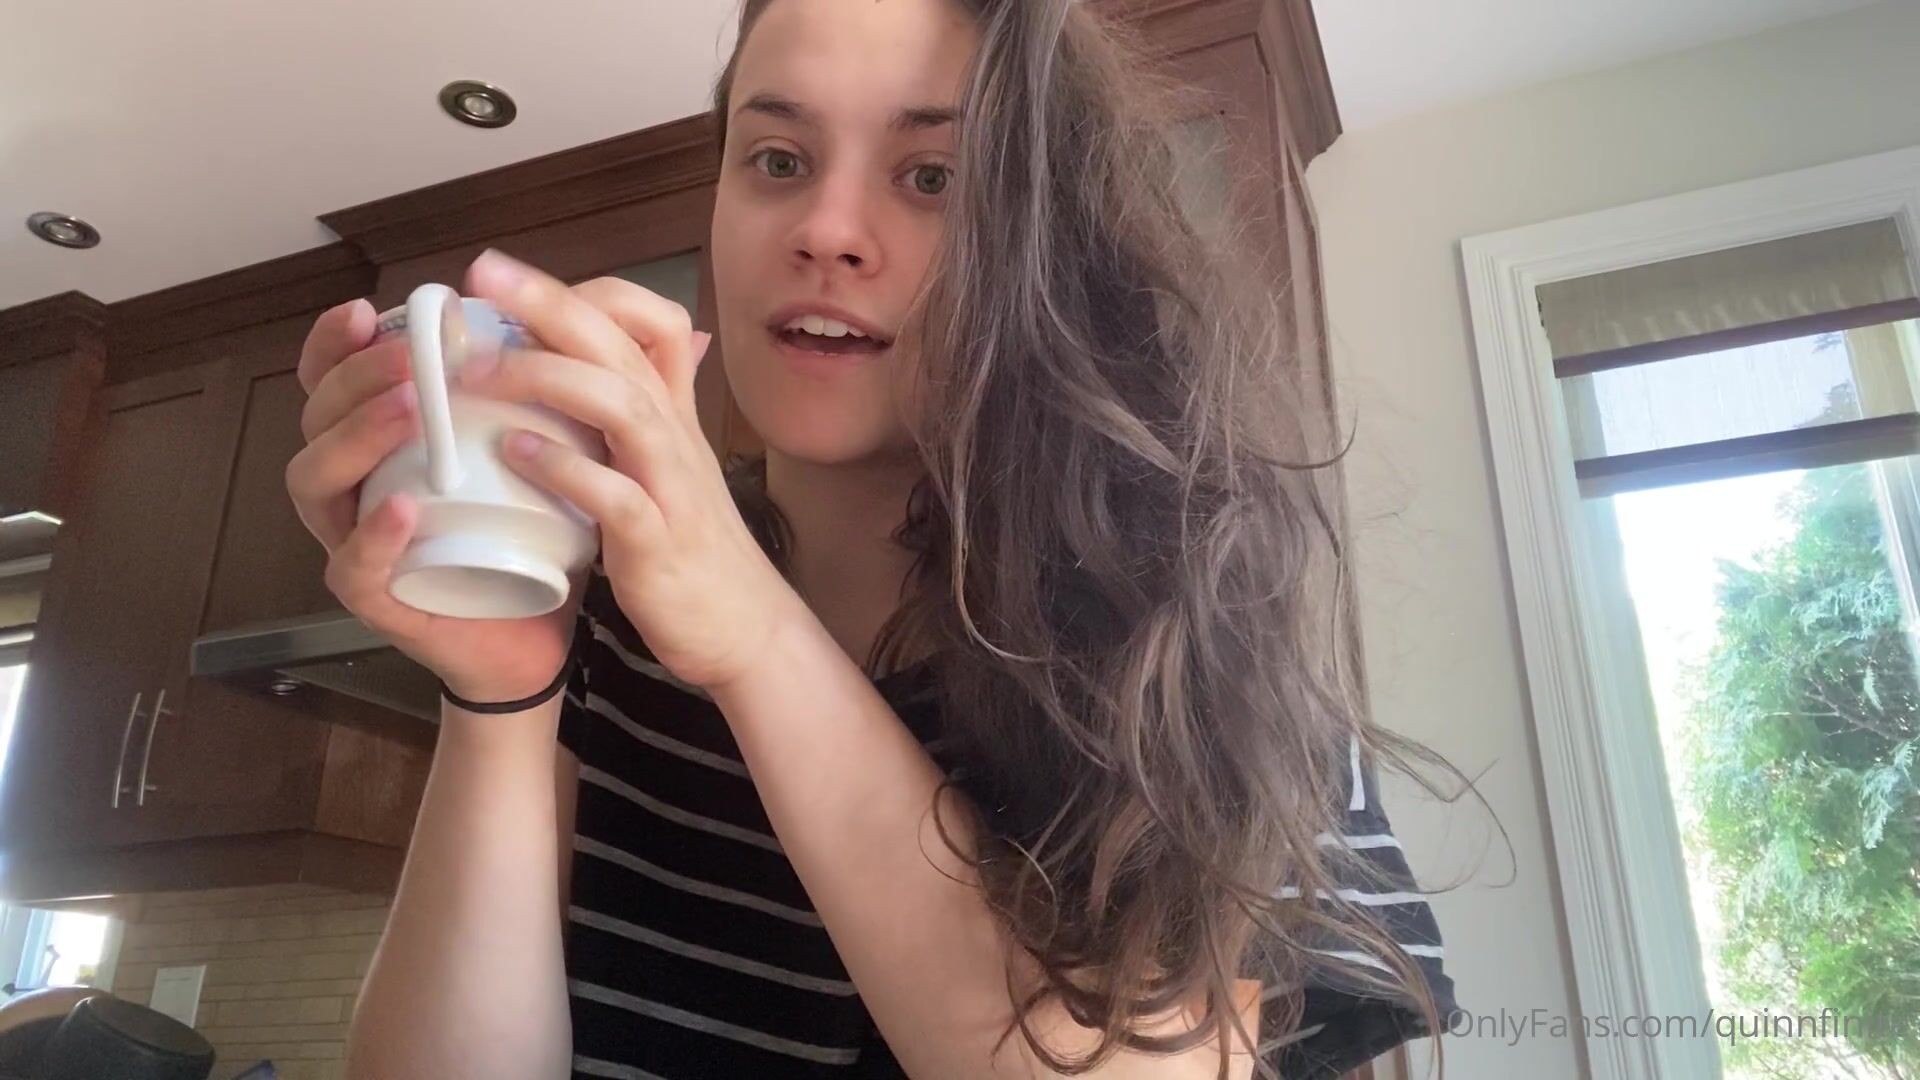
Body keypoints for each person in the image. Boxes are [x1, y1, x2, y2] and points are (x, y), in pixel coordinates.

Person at [285, 0, 1460, 1077]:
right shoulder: (607, 604)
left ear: (1048, 242)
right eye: (777, 160)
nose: (826, 231)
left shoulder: (1202, 624)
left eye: (932, 175)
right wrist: (503, 691)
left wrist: (754, 640)